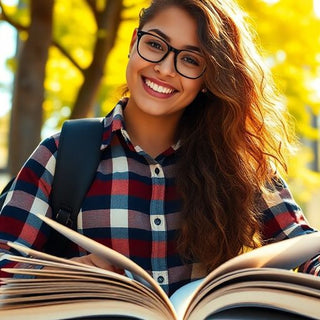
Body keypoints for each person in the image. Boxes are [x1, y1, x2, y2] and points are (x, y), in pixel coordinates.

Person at [0, 0, 319, 297]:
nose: (165, 69)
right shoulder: (62, 153)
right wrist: (62, 275)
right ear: (133, 44)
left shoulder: (239, 163)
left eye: (190, 59)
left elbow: (307, 251)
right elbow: (3, 265)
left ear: (207, 78)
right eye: (155, 45)